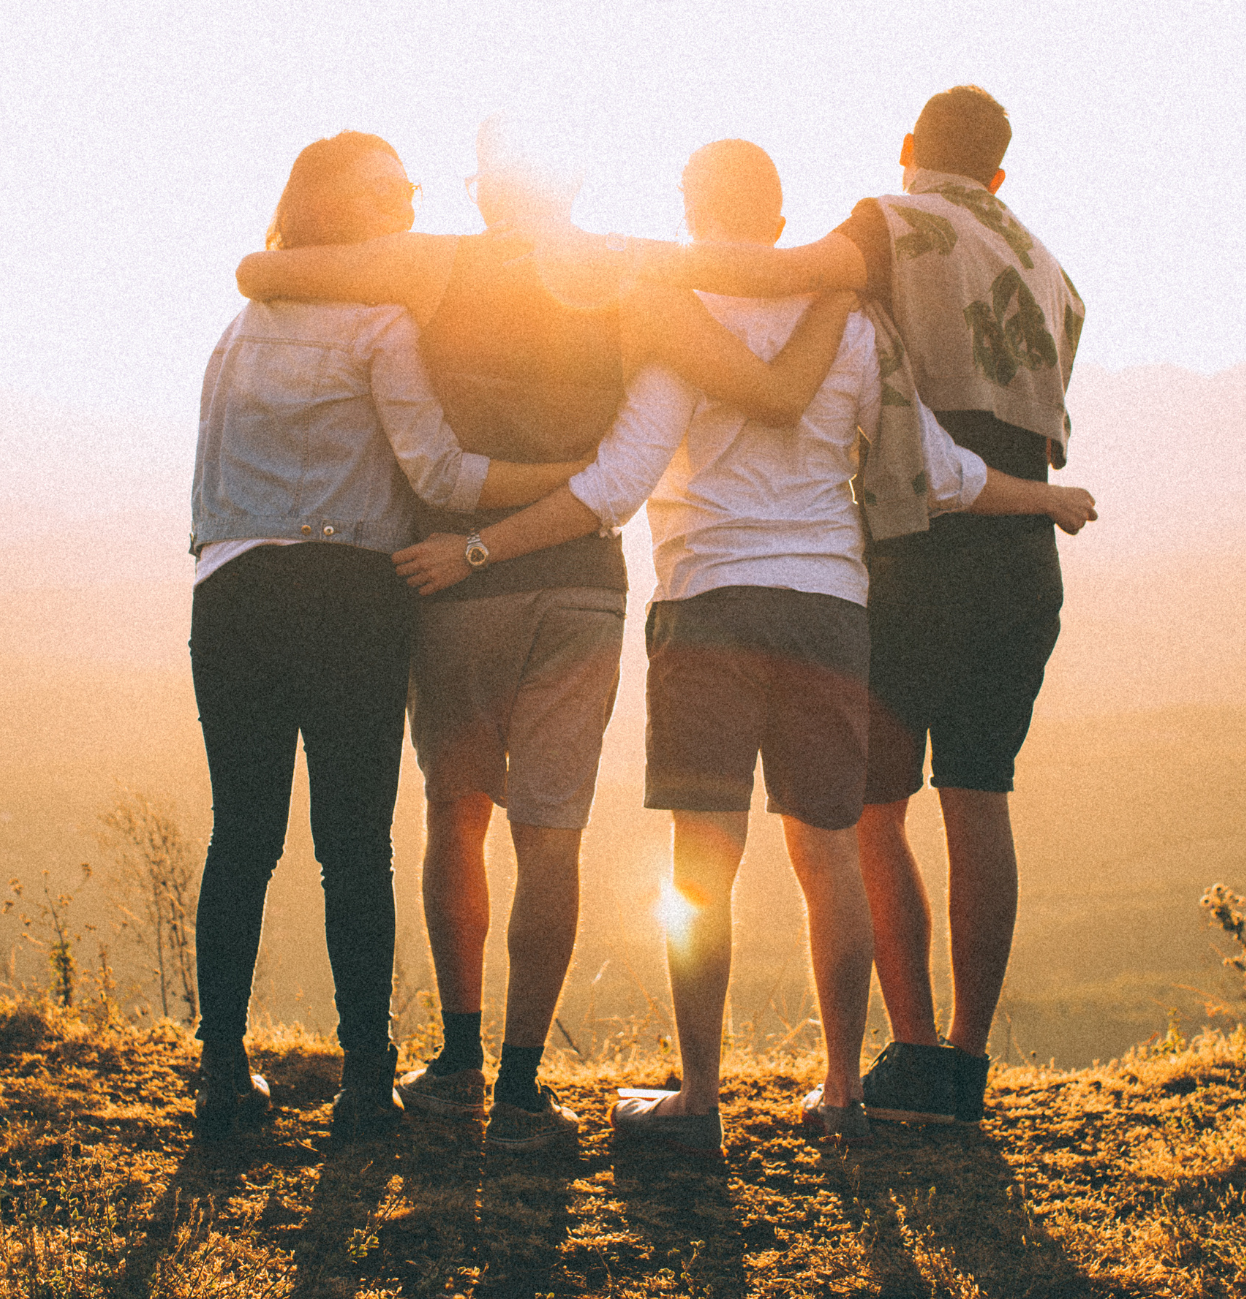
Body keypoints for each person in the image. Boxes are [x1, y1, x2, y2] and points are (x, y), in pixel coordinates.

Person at [394, 138, 1096, 1154]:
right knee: (827, 857)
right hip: (828, 611)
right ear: (777, 221)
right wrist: (1047, 498)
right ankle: (844, 1092)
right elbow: (938, 472)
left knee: (701, 864)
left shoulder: (678, 320)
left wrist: (476, 547)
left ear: (689, 212)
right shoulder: (852, 324)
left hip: (707, 605)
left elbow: (614, 486)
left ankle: (698, 1099)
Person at [234, 116, 854, 1153]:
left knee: (455, 813)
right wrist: (837, 286)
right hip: (578, 585)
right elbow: (770, 391)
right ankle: (523, 1087)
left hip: (453, 578)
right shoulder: (629, 283)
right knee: (550, 832)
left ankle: (458, 1059)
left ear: (484, 191)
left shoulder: (430, 267)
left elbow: (263, 272)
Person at [188, 131, 584, 1142]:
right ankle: (366, 1082)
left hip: (230, 591)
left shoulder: (238, 328)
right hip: (350, 596)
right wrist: (568, 481)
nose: (407, 203)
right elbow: (442, 478)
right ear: (341, 207)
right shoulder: (380, 324)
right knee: (351, 846)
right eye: (389, 190)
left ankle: (223, 1074)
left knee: (242, 837)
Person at [824, 86, 1087, 1126]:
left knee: (874, 808)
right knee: (978, 796)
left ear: (905, 149)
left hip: (913, 550)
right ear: (999, 172)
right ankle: (968, 1065)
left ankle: (914, 1051)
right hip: (1020, 557)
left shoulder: (883, 222)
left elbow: (812, 294)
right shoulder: (1051, 268)